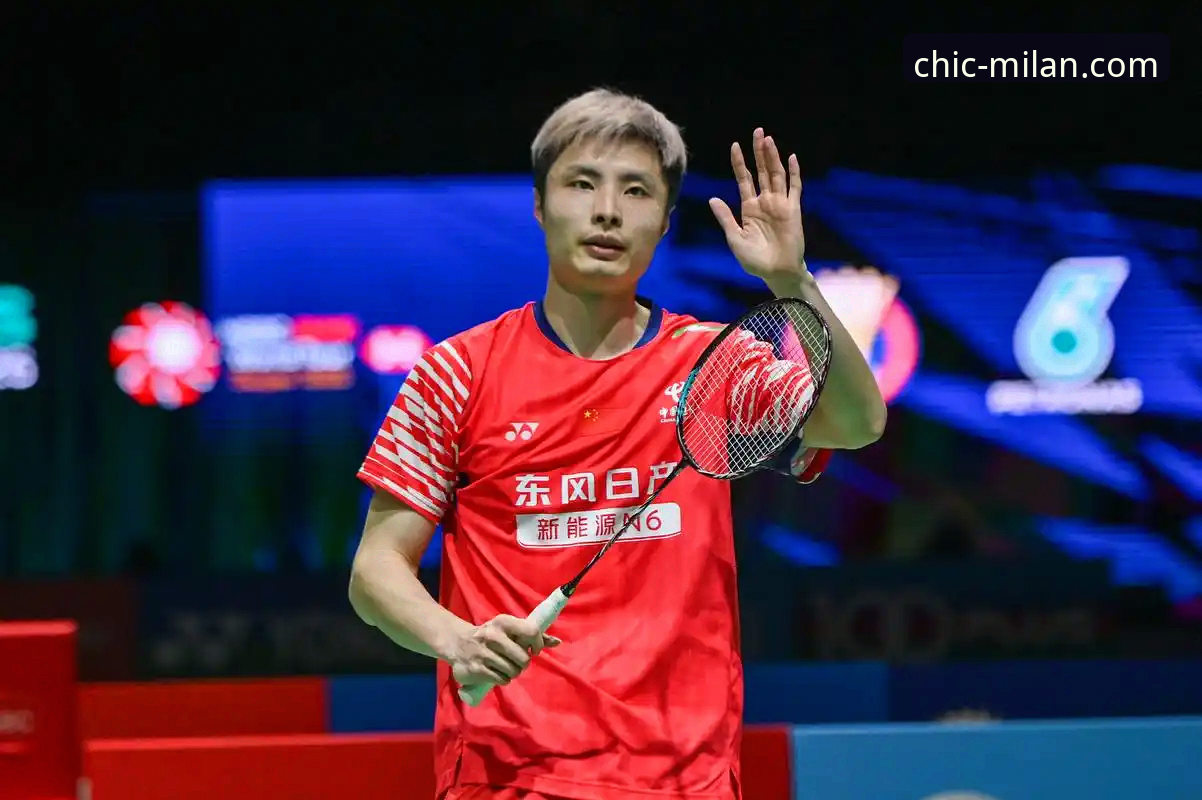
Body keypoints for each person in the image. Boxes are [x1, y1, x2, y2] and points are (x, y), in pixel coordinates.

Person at [349, 88, 886, 800]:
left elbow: (856, 423)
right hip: (508, 775)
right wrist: (457, 640)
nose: (607, 211)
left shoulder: (714, 365)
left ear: (664, 220)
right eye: (582, 184)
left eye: (636, 191)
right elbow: (375, 570)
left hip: (685, 778)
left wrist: (790, 280)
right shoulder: (458, 373)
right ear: (540, 205)